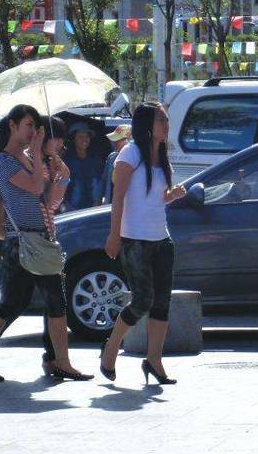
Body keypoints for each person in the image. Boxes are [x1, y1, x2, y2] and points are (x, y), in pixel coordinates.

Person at [0, 104, 91, 383]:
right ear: (11, 125)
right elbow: (34, 187)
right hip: (21, 240)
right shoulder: (3, 161)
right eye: (27, 126)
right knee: (21, 303)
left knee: (24, 302)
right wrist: (37, 154)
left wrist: (59, 172)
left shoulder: (26, 158)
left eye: (35, 129)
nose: (32, 134)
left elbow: (46, 198)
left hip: (37, 238)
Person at [100, 103, 186, 385]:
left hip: (161, 239)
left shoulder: (161, 156)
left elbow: (153, 197)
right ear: (147, 123)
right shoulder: (130, 153)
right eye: (161, 119)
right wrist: (114, 235)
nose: (166, 123)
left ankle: (154, 360)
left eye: (166, 118)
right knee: (142, 300)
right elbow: (119, 198)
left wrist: (172, 196)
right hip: (134, 239)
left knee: (162, 303)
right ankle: (111, 347)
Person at [63, 122, 104, 211]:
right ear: (73, 139)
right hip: (72, 210)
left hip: (93, 209)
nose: (85, 139)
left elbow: (100, 181)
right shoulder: (66, 160)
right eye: (80, 136)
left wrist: (98, 201)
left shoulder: (95, 158)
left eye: (87, 136)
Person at [101, 124, 132, 204]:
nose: (115, 143)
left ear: (128, 140)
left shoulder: (135, 160)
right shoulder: (111, 158)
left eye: (119, 140)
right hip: (109, 206)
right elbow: (104, 182)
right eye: (115, 140)